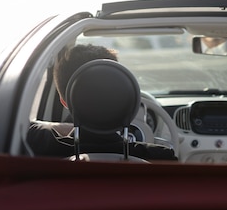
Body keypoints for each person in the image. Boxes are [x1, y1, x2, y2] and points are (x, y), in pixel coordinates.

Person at [27, 44, 177, 161]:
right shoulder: (161, 157)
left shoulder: (38, 145)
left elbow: (25, 125)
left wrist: (66, 127)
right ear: (126, 98)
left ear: (64, 102)